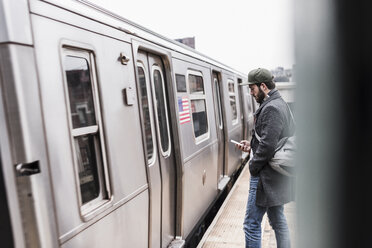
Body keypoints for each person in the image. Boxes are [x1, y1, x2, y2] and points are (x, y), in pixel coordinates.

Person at [236, 68, 295, 248]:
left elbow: (268, 145)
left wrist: (253, 165)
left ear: (263, 86)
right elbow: (273, 139)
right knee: (277, 219)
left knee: (251, 224)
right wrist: (251, 146)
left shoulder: (272, 108)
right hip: (272, 173)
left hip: (264, 176)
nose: (251, 93)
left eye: (252, 89)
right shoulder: (279, 103)